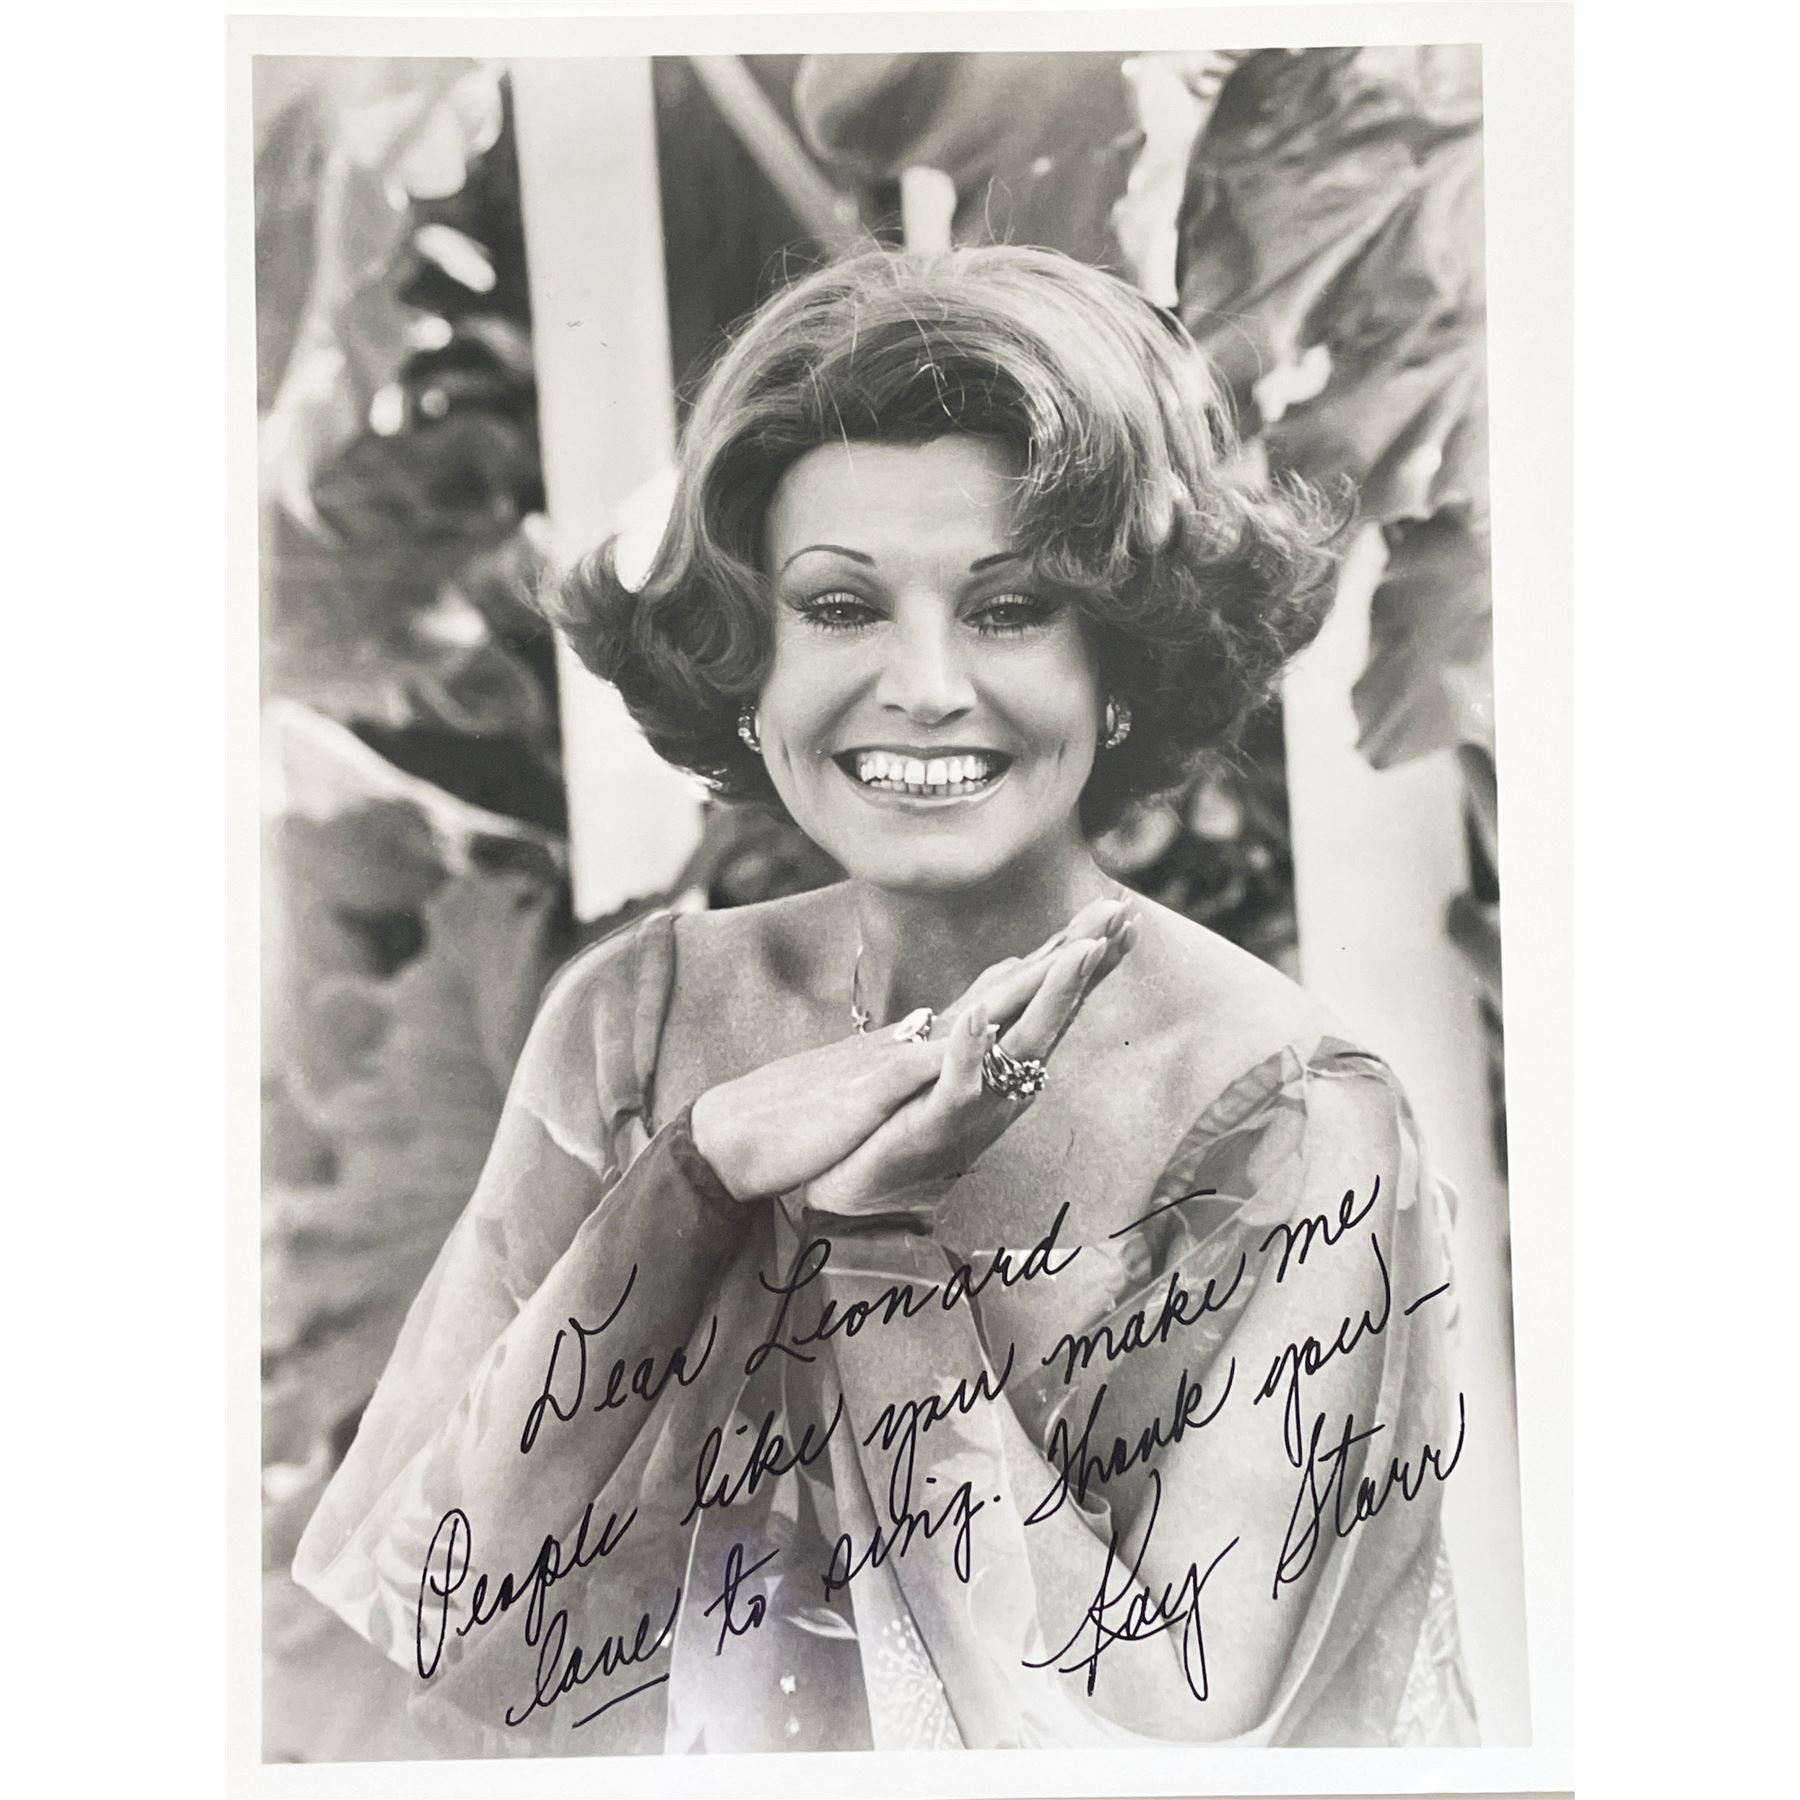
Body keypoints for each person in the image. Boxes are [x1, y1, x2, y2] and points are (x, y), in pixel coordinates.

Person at [292, 245, 1477, 1755]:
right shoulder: (636, 1020)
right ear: (749, 666)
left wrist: (880, 1247)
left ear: (1121, 660)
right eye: (842, 606)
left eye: (1010, 607)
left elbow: (1177, 1736)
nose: (923, 684)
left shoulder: (1297, 1116)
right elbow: (448, 1622)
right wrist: (694, 1183)